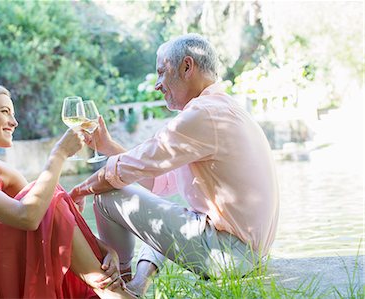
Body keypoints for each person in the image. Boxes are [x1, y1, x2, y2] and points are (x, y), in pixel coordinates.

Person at [70, 33, 279, 296]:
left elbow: (128, 171)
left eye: (161, 72)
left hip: (230, 255)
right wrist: (109, 148)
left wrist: (79, 191)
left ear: (187, 66)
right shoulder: (221, 108)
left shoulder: (203, 114)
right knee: (158, 211)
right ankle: (137, 285)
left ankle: (117, 287)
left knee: (106, 195)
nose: (157, 84)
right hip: (243, 254)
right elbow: (158, 181)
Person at [0, 73, 135, 299]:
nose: (14, 122)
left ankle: (106, 288)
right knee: (44, 197)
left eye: (13, 113)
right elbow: (28, 217)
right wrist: (58, 155)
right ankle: (108, 290)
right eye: (5, 112)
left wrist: (103, 249)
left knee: (48, 197)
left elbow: (48, 216)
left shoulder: (1, 172)